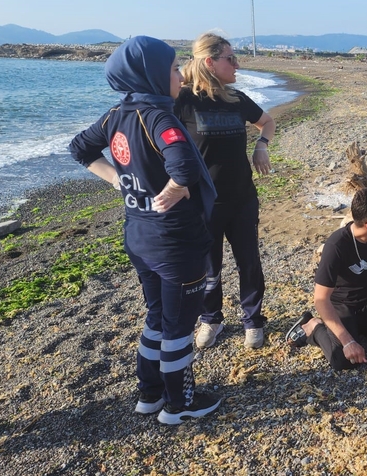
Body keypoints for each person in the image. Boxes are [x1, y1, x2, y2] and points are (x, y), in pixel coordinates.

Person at [69, 36, 221, 424]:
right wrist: (173, 189)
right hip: (175, 242)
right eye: (173, 70)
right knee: (179, 327)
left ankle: (149, 394)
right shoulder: (158, 117)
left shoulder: (116, 115)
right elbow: (184, 165)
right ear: (151, 75)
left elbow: (80, 149)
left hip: (139, 236)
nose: (181, 77)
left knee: (157, 316)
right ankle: (180, 404)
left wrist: (120, 182)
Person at [174, 32, 275, 349]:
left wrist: (262, 146)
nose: (237, 64)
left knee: (249, 262)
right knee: (209, 267)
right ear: (209, 62)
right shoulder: (184, 101)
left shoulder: (237, 99)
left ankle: (253, 321)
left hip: (242, 198)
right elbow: (157, 138)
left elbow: (267, 122)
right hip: (204, 204)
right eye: (231, 59)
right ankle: (211, 319)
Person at [286, 188, 367, 371]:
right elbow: (321, 299)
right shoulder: (336, 245)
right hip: (341, 304)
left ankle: (361, 329)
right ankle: (314, 327)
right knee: (343, 360)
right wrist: (347, 341)